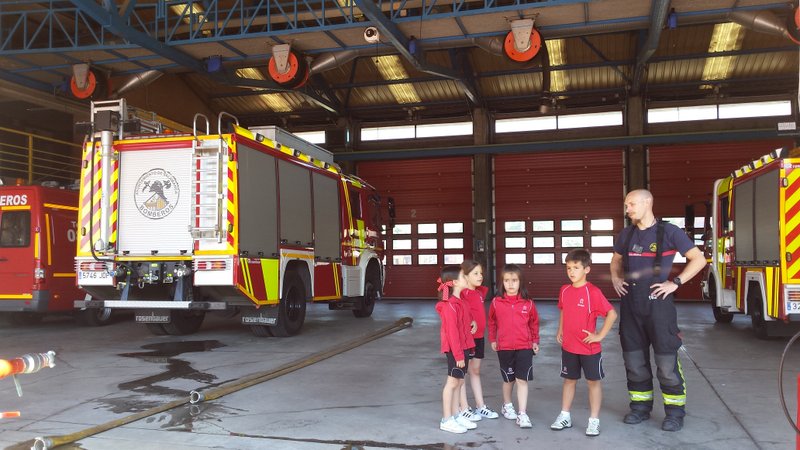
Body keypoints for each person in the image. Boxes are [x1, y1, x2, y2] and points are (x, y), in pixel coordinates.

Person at [610, 189, 706, 432]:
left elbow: (699, 259)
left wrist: (676, 282)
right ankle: (640, 408)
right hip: (631, 305)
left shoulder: (670, 232)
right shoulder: (626, 234)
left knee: (666, 363)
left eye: (631, 204)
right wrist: (615, 279)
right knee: (634, 361)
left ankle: (674, 413)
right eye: (626, 205)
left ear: (647, 202)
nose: (627, 209)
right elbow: (615, 261)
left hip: (659, 307)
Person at [550, 249, 618, 436]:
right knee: (569, 380)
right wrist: (560, 329)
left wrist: (600, 336)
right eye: (568, 268)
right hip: (569, 346)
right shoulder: (564, 290)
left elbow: (612, 314)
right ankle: (565, 415)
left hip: (589, 348)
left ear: (586, 269)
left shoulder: (593, 292)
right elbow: (563, 310)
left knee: (593, 383)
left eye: (576, 268)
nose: (571, 271)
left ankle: (594, 420)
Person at [488, 264, 540, 429]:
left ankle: (522, 414)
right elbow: (492, 321)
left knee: (522, 379)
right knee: (508, 379)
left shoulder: (528, 303)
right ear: (502, 282)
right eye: (507, 281)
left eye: (514, 280)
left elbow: (534, 323)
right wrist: (492, 339)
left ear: (520, 282)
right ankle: (507, 405)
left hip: (524, 346)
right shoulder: (496, 302)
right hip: (504, 347)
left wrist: (535, 341)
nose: (510, 284)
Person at [436, 265, 477, 434]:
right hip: (456, 350)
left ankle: (456, 414)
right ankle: (447, 419)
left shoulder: (461, 302)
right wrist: (459, 355)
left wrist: (472, 321)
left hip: (464, 347)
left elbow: (465, 318)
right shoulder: (449, 306)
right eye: (464, 276)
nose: (467, 278)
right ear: (454, 282)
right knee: (452, 383)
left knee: (459, 382)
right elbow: (452, 333)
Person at [457, 260, 500, 422]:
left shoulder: (480, 292)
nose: (480, 276)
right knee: (461, 374)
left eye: (481, 273)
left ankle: (480, 406)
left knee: (475, 371)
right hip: (466, 339)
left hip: (479, 338)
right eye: (475, 273)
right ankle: (463, 407)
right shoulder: (460, 294)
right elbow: (446, 298)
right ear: (465, 276)